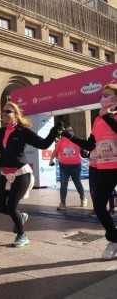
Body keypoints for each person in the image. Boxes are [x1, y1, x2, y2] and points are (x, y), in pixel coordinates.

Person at [0, 101, 64, 247]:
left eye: (8, 111)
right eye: (3, 111)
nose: (4, 114)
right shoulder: (0, 132)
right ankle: (21, 216)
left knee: (11, 206)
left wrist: (54, 130)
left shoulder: (22, 131)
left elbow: (43, 144)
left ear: (15, 115)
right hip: (5, 174)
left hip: (21, 173)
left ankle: (22, 235)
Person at [61, 83, 117, 259]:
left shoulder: (107, 116)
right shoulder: (98, 119)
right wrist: (68, 135)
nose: (103, 98)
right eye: (102, 96)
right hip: (106, 167)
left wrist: (107, 116)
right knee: (99, 206)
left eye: (107, 95)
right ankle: (114, 239)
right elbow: (89, 144)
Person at [49, 126, 87, 210]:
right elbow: (55, 151)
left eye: (71, 130)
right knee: (63, 184)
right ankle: (63, 203)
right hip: (64, 166)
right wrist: (51, 160)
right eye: (68, 130)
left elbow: (86, 147)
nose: (70, 132)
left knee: (77, 183)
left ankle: (83, 198)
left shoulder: (77, 140)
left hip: (76, 166)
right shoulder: (61, 141)